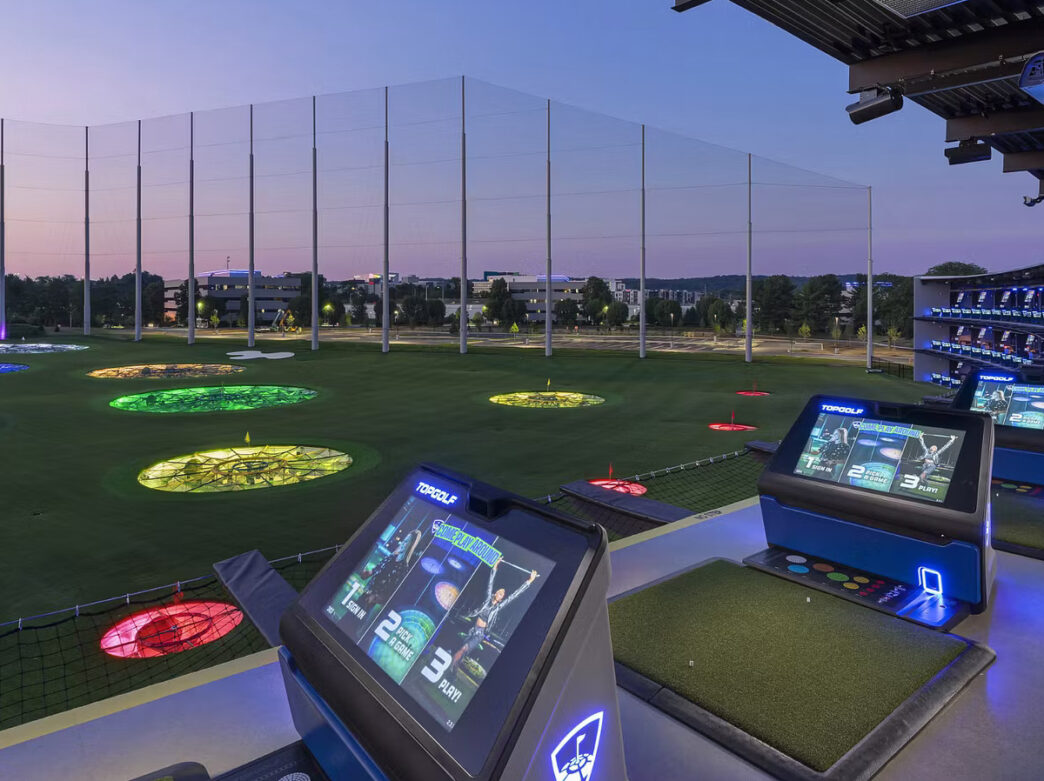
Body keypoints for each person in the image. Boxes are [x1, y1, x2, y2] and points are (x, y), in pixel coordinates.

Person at [451, 560, 537, 668]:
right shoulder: (487, 600)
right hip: (471, 628)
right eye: (500, 592)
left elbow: (514, 595)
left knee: (463, 649)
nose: (501, 594)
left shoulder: (498, 608)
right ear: (495, 593)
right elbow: (490, 583)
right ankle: (453, 670)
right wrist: (495, 566)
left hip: (480, 634)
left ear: (501, 599)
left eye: (502, 594)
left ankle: (451, 670)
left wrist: (529, 581)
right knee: (461, 650)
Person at [359, 528, 425, 612]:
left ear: (410, 545)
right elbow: (372, 572)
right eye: (404, 541)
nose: (402, 543)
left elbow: (390, 594)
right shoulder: (391, 557)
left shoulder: (403, 567)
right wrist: (363, 571)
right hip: (365, 594)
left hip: (371, 604)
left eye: (406, 542)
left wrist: (375, 598)